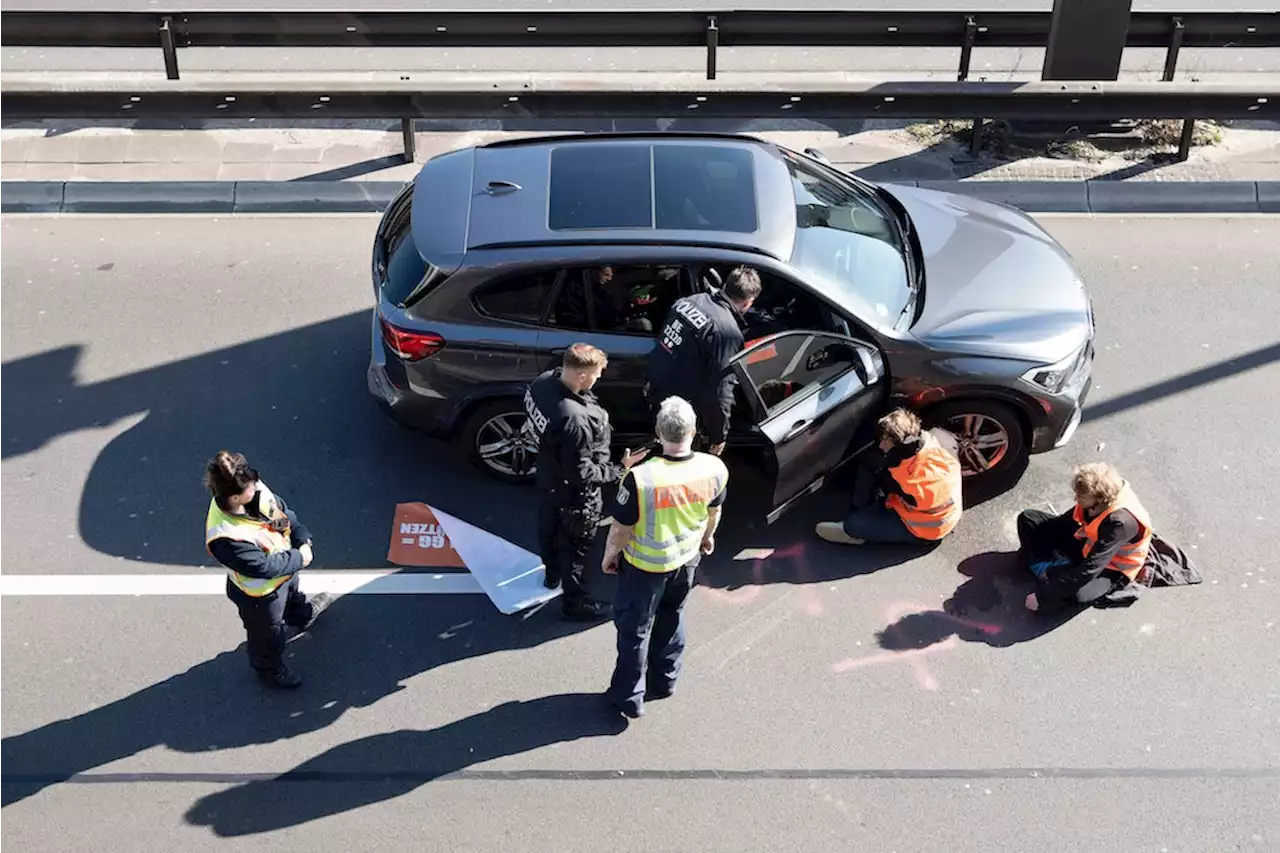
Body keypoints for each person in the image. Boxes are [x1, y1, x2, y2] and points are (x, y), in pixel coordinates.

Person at [600, 396, 729, 719]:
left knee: (635, 630)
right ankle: (666, 679)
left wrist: (610, 556)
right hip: (686, 561)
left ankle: (629, 696)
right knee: (672, 618)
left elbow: (620, 528)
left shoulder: (641, 478)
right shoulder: (714, 468)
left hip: (645, 567)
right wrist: (707, 538)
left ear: (659, 432)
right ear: (694, 430)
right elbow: (714, 512)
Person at [525, 343, 649, 621]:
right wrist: (620, 469)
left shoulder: (543, 383)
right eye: (596, 374)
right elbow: (582, 473)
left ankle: (551, 574)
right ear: (582, 376)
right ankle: (575, 604)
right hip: (577, 495)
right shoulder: (575, 420)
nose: (598, 379)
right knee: (577, 550)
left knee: (548, 530)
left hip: (548, 477)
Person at [204, 451, 331, 689]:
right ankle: (269, 668)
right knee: (267, 636)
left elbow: (280, 515)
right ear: (234, 498)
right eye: (250, 487)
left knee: (293, 596)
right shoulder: (225, 536)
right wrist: (300, 557)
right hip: (260, 595)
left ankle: (301, 615)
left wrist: (300, 535)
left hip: (283, 575)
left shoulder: (252, 489)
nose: (257, 487)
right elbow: (263, 567)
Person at [646, 265, 763, 455]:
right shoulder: (727, 333)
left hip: (657, 393)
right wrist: (718, 436)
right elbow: (720, 393)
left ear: (726, 286)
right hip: (683, 412)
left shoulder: (687, 301)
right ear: (749, 302)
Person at [814, 408, 963, 545]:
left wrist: (863, 500)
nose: (881, 445)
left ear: (900, 446)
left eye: (886, 441)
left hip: (926, 529)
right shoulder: (935, 441)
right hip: (947, 511)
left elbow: (887, 484)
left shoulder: (911, 482)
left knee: (855, 523)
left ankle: (854, 534)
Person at [1019, 462, 1154, 613]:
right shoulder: (1093, 501)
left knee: (1078, 594)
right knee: (1028, 519)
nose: (1075, 499)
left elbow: (1092, 568)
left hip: (1111, 565)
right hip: (1087, 542)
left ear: (1100, 500)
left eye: (1080, 497)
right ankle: (1052, 570)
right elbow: (1063, 522)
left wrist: (1042, 597)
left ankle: (1051, 571)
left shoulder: (1120, 523)